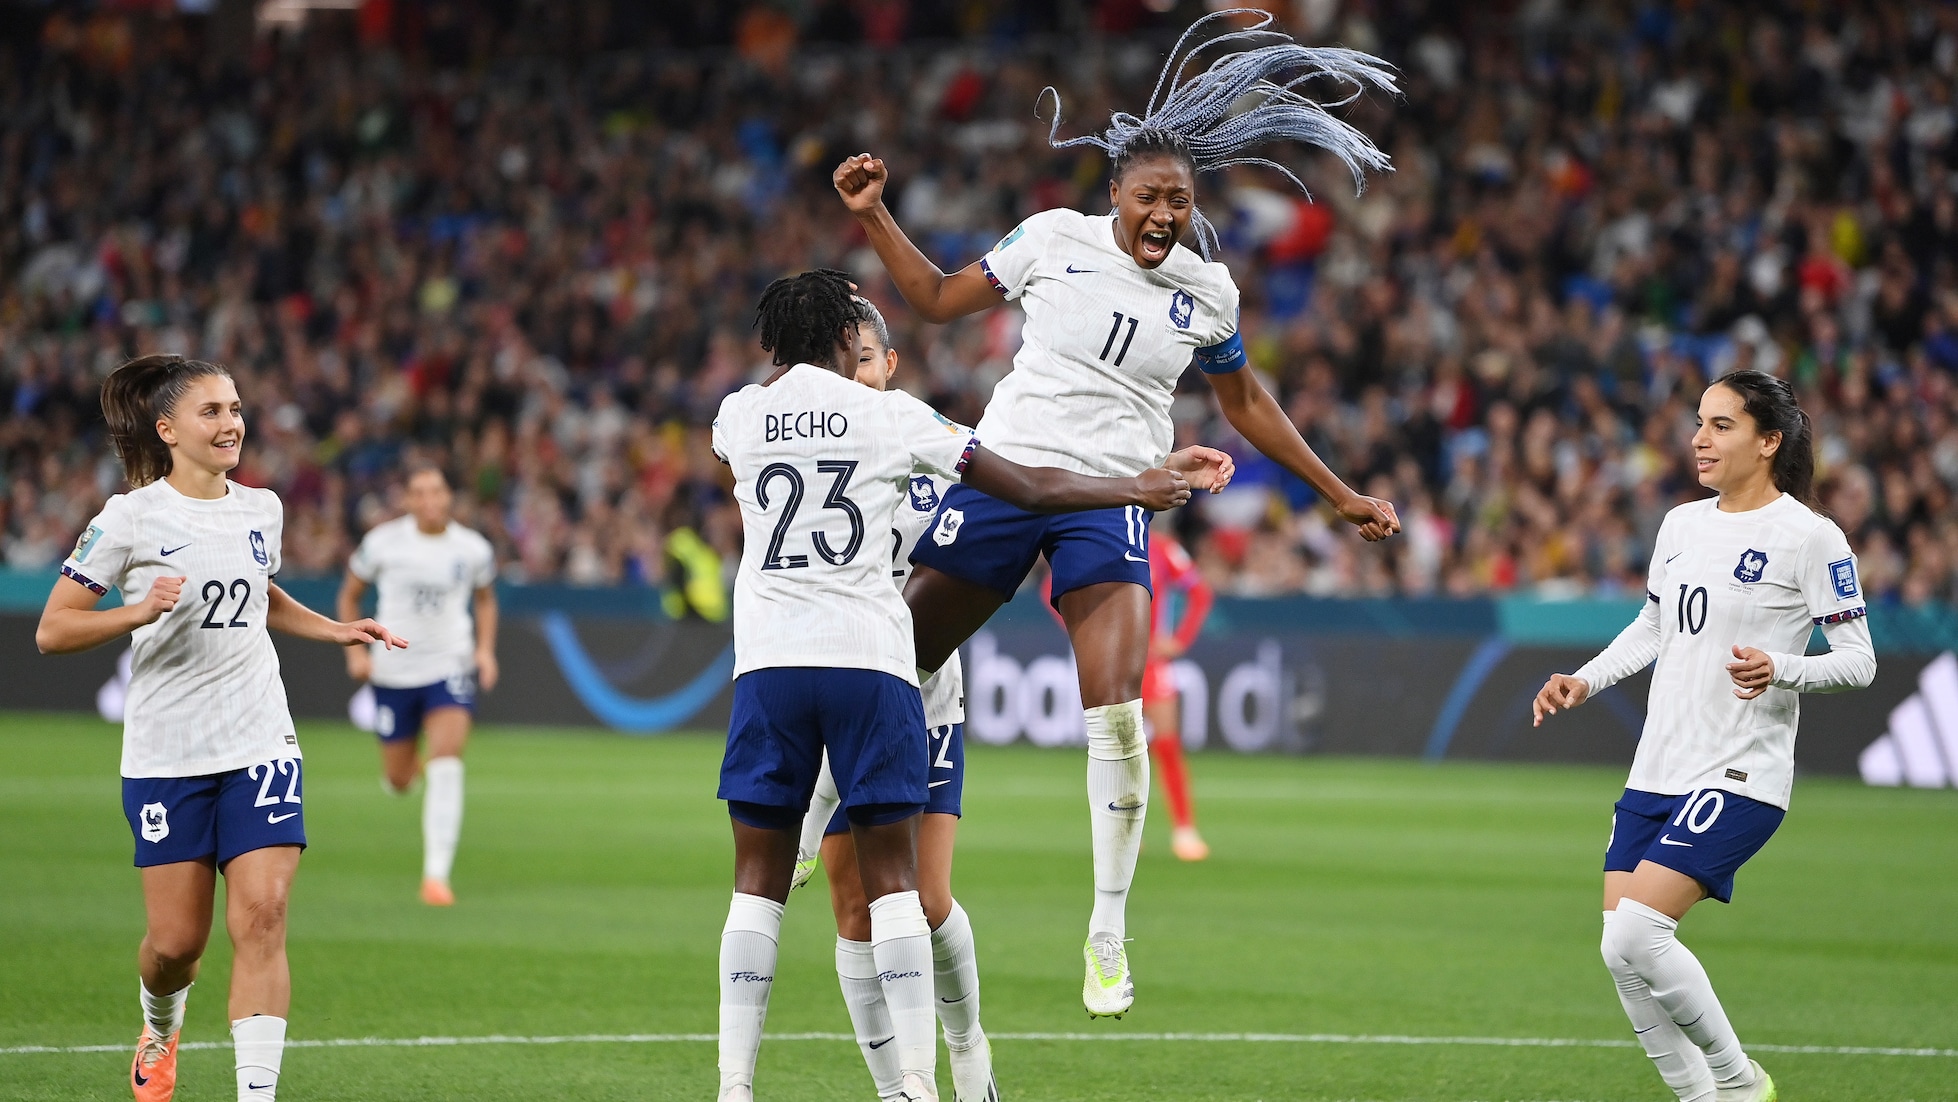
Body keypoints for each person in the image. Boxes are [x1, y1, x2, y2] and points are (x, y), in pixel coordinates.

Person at [832, 8, 1400, 1016]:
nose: (1164, 216)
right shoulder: (1049, 241)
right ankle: (819, 809)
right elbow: (929, 299)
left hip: (1115, 498)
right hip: (1006, 475)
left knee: (1118, 712)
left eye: (1178, 201)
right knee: (896, 657)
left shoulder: (1206, 291)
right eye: (1148, 197)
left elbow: (1245, 406)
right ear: (1113, 194)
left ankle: (1105, 932)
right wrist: (874, 214)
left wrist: (1339, 493)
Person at [709, 269, 1203, 1102]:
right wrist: (1135, 483)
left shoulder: (737, 414)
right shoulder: (900, 422)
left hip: (774, 664)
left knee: (765, 888)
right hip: (876, 662)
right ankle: (911, 1084)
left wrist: (791, 363)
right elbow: (1033, 490)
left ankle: (742, 1086)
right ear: (844, 346)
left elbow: (771, 408)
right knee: (882, 891)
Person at [35, 354, 407, 1102]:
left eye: (235, 408)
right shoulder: (128, 517)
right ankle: (159, 1025)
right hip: (167, 751)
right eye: (211, 412)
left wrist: (334, 630)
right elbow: (52, 630)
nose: (231, 423)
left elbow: (256, 591)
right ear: (167, 429)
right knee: (175, 947)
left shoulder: (260, 508)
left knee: (264, 915)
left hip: (260, 738)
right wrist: (135, 611)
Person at [1533, 370, 1875, 1102]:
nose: (1699, 437)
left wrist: (1783, 668)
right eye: (1699, 422)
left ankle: (1738, 1082)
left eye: (1722, 425)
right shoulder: (1682, 525)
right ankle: (1699, 1097)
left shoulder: (1811, 538)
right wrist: (1585, 680)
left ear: (1769, 441)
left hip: (1741, 770)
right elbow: (1655, 626)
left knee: (1635, 936)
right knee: (1617, 952)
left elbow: (1859, 660)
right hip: (1659, 765)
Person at [337, 464, 498, 906]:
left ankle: (436, 877)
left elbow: (485, 601)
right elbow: (349, 594)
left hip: (450, 665)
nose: (429, 499)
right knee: (399, 779)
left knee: (447, 762)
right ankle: (410, 767)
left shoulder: (472, 548)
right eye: (419, 492)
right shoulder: (383, 543)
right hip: (394, 671)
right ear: (407, 500)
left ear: (449, 497)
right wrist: (355, 650)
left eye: (437, 490)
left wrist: (484, 651)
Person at [1142, 533, 1214, 861]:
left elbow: (1200, 592)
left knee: (1167, 744)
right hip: (1111, 659)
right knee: (1113, 748)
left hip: (1151, 662)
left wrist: (1179, 640)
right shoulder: (1101, 534)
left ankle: (1184, 830)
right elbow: (1051, 591)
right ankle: (1119, 832)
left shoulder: (1162, 547)